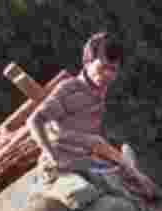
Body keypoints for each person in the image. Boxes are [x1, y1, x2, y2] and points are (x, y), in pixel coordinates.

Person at [27, 32, 137, 184]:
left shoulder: (99, 93)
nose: (108, 75)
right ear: (87, 62)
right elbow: (34, 120)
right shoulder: (69, 90)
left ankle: (126, 169)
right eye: (103, 68)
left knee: (127, 178)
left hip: (86, 160)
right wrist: (52, 155)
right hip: (63, 162)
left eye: (113, 70)